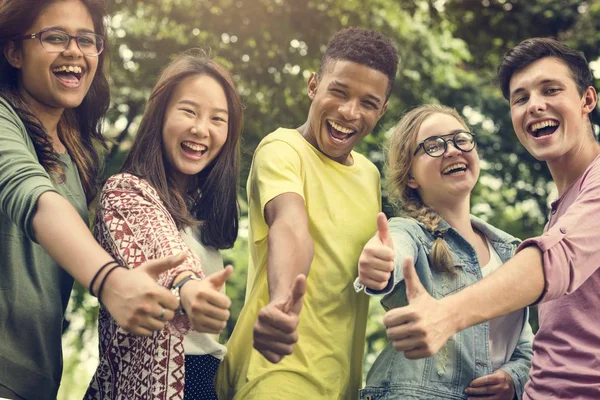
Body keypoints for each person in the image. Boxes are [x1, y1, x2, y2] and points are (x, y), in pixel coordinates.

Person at [382, 38, 600, 399]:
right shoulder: (562, 208)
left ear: (587, 100)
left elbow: (557, 259)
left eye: (551, 90)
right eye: (521, 98)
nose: (535, 105)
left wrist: (445, 315)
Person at [0, 1, 186, 399]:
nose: (75, 51)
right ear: (14, 52)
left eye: (87, 40)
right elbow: (31, 194)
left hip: (36, 380)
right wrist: (110, 281)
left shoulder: (78, 156)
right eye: (54, 37)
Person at [217, 27, 398, 400]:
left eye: (368, 102)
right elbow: (291, 225)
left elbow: (353, 271)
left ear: (383, 110)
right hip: (276, 371)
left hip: (342, 383)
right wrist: (283, 301)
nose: (349, 112)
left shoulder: (368, 175)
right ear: (313, 85)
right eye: (339, 91)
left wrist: (381, 273)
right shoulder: (283, 149)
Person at [84, 53, 243, 400]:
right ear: (160, 116)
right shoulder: (125, 192)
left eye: (218, 119)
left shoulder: (203, 220)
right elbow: (161, 247)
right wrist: (188, 287)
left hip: (207, 385)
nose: (201, 129)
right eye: (188, 111)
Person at [356, 104, 533, 400]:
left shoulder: (511, 252)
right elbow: (394, 249)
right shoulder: (410, 233)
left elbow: (526, 346)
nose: (451, 150)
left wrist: (513, 378)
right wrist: (380, 262)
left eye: (460, 139)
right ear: (411, 177)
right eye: (433, 146)